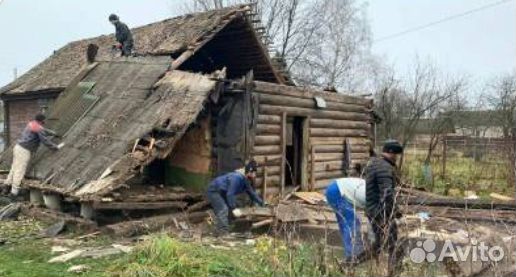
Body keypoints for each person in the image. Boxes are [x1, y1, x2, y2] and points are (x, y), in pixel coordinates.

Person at [365, 139, 404, 276]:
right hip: (380, 212)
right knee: (394, 245)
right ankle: (393, 272)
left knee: (379, 244)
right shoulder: (384, 168)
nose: (397, 158)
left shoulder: (375, 163)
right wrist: (395, 212)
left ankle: (351, 263)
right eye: (396, 155)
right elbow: (387, 194)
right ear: (391, 153)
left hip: (374, 210)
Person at [5, 114, 63, 198]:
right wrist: (55, 147)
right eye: (44, 120)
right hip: (24, 151)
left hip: (18, 147)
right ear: (41, 121)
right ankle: (14, 193)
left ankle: (6, 187)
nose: (44, 122)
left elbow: (44, 130)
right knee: (20, 170)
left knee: (14, 168)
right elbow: (45, 140)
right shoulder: (38, 128)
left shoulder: (32, 124)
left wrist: (54, 133)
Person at [206, 160, 264, 236]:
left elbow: (252, 194)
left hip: (223, 192)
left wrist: (262, 203)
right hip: (214, 191)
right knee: (223, 209)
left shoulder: (245, 180)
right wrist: (234, 208)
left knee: (230, 208)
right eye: (253, 172)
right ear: (249, 171)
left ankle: (226, 228)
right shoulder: (236, 178)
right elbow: (230, 194)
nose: (254, 175)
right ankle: (223, 232)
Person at [325, 177, 366, 263]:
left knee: (345, 223)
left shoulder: (372, 189)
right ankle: (353, 257)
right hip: (337, 191)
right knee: (352, 224)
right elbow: (373, 220)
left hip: (334, 188)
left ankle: (351, 253)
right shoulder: (373, 197)